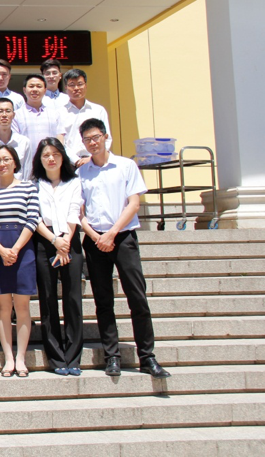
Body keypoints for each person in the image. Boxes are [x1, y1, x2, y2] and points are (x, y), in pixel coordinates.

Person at [78, 118, 170, 379]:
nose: (93, 143)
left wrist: (112, 233)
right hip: (95, 240)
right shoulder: (82, 173)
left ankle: (147, 357)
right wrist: (95, 236)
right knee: (103, 300)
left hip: (123, 237)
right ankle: (112, 356)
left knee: (137, 297)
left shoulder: (126, 166)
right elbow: (79, 212)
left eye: (96, 137)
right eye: (87, 140)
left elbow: (134, 203)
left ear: (105, 136)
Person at [0, 145, 39, 378]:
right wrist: (0, 250)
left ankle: (21, 358)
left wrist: (15, 249)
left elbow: (32, 219)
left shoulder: (28, 187)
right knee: (3, 307)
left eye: (6, 159)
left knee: (23, 307)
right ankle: (8, 358)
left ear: (15, 162)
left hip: (22, 249)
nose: (2, 164)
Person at [32, 137, 85, 376]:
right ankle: (56, 357)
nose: (51, 158)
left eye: (55, 154)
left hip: (70, 240)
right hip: (45, 241)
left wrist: (64, 243)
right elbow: (34, 217)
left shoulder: (74, 182)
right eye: (46, 155)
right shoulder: (34, 185)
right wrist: (55, 241)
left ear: (63, 157)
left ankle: (73, 357)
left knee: (73, 299)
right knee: (48, 299)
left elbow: (74, 212)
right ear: (39, 159)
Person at [62, 69, 113, 167]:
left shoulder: (98, 110)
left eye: (80, 84)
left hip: (97, 162)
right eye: (72, 85)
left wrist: (93, 158)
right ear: (66, 87)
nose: (76, 88)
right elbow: (61, 142)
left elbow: (107, 138)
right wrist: (76, 161)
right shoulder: (60, 112)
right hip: (69, 164)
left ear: (86, 85)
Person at [14, 74, 66, 154]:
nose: (35, 89)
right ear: (24, 90)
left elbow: (60, 137)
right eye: (31, 86)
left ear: (45, 90)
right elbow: (15, 141)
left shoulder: (54, 114)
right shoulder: (16, 115)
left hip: (50, 159)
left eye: (39, 86)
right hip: (26, 160)